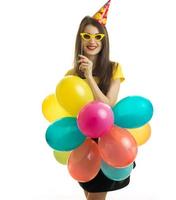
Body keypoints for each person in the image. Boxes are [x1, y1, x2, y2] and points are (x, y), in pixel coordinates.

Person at [65, 1, 135, 200]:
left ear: (104, 41)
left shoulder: (113, 69)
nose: (92, 41)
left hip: (107, 142)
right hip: (82, 143)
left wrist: (89, 77)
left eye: (98, 36)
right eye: (87, 35)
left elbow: (109, 105)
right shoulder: (70, 75)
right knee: (89, 194)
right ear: (80, 39)